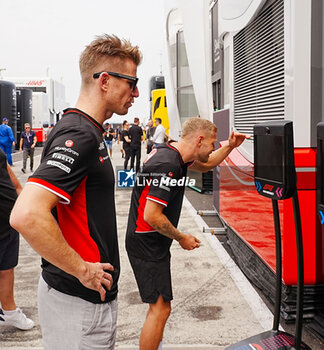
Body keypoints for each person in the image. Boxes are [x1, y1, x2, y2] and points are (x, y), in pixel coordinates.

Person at [10, 34, 142, 350]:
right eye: (131, 83)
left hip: (87, 303)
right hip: (76, 303)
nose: (136, 93)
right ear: (105, 81)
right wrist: (82, 269)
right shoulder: (78, 133)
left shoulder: (89, 130)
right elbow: (26, 215)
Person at [125, 117, 248, 350]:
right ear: (199, 139)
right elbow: (152, 216)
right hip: (146, 241)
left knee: (160, 308)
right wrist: (181, 238)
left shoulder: (174, 153)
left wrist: (230, 146)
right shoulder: (168, 164)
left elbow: (207, 163)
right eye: (212, 143)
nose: (213, 148)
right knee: (160, 309)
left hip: (149, 240)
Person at [0, 148, 35, 331]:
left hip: (9, 222)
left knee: (6, 269)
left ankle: (9, 313)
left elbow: (13, 181)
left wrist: (23, 207)